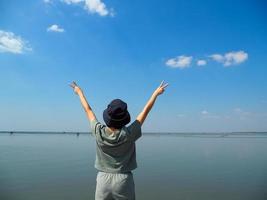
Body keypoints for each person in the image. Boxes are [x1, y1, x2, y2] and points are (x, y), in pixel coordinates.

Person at [70, 81, 168, 200]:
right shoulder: (130, 133)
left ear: (107, 117)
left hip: (103, 179)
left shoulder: (98, 131)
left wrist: (79, 92)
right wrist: (155, 94)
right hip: (123, 179)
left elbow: (88, 110)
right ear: (125, 118)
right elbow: (145, 111)